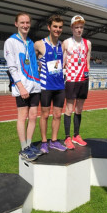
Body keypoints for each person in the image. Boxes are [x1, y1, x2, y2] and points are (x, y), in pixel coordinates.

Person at [4, 12, 43, 161]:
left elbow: (33, 63)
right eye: (22, 23)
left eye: (27, 22)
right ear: (16, 24)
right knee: (22, 117)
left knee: (33, 116)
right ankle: (23, 148)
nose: (25, 25)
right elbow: (12, 67)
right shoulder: (11, 42)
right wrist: (20, 86)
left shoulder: (31, 43)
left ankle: (29, 144)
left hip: (35, 85)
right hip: (22, 86)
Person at [34, 15, 68, 153]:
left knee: (58, 115)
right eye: (55, 26)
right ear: (49, 27)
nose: (57, 29)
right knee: (45, 115)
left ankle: (54, 141)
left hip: (60, 86)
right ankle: (44, 142)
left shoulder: (63, 45)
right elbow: (32, 58)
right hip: (46, 86)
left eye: (60, 27)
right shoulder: (39, 44)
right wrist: (38, 67)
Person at [62, 15, 92, 149]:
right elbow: (62, 63)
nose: (79, 30)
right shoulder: (67, 42)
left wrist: (88, 78)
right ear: (72, 28)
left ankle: (76, 135)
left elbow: (87, 61)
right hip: (71, 79)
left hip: (83, 80)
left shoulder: (88, 43)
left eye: (81, 27)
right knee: (69, 108)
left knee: (79, 109)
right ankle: (67, 137)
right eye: (76, 27)